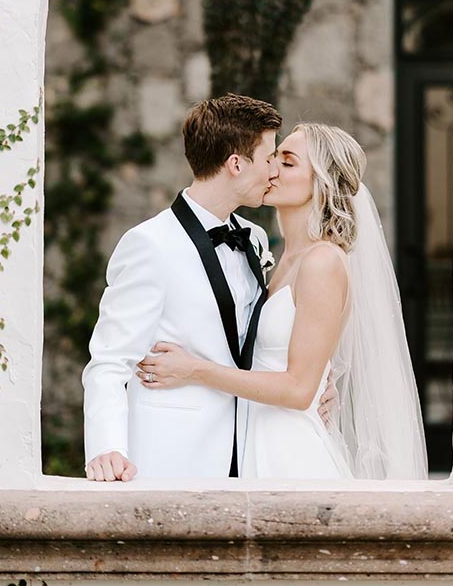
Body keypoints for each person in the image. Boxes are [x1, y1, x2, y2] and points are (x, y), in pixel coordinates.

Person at [136, 123, 428, 480]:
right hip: (254, 440)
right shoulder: (280, 257)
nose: (272, 169)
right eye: (273, 158)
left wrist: (195, 370)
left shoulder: (322, 262)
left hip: (290, 453)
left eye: (288, 163)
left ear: (322, 181)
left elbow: (298, 389)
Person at [83, 94, 337, 481]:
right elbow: (108, 360)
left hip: (253, 446)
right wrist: (108, 448)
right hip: (169, 455)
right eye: (270, 158)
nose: (273, 171)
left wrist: (320, 382)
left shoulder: (253, 239)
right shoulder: (149, 243)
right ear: (236, 164)